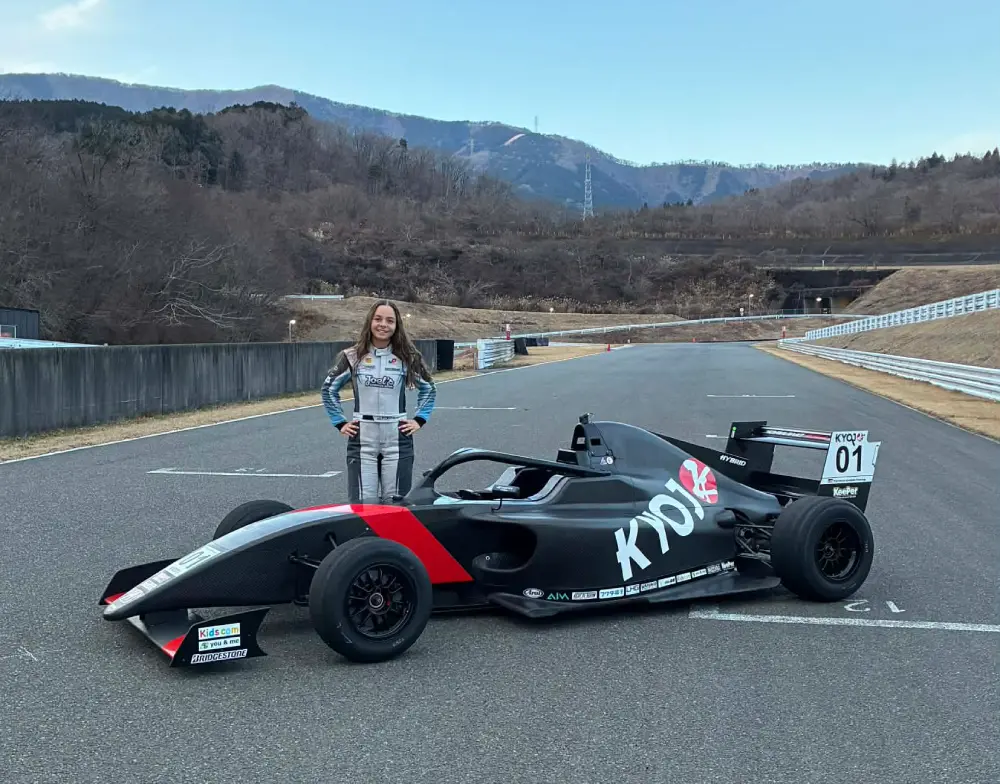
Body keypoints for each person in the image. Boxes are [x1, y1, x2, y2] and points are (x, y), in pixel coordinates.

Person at [321, 300, 436, 503]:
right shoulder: (352, 356)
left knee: (396, 505)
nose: (383, 324)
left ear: (396, 326)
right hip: (362, 437)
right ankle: (367, 537)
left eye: (390, 320)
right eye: (378, 319)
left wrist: (419, 420)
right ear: (370, 322)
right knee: (364, 506)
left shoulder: (408, 356)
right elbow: (329, 389)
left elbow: (429, 388)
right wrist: (340, 422)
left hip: (397, 438)